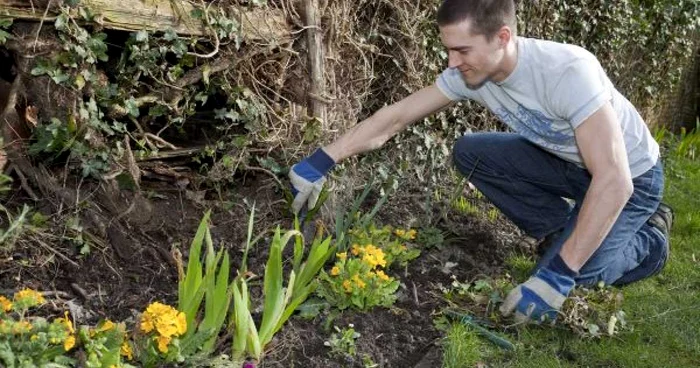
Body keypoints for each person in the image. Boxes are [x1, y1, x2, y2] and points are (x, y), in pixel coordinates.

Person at [288, 0, 673, 324]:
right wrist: (322, 160)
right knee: (470, 152)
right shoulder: (470, 75)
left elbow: (615, 179)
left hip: (631, 178)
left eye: (462, 50)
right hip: (567, 165)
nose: (452, 62)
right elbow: (396, 117)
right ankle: (567, 231)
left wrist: (558, 275)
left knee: (581, 274)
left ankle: (650, 242)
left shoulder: (567, 72)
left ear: (502, 37)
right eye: (449, 50)